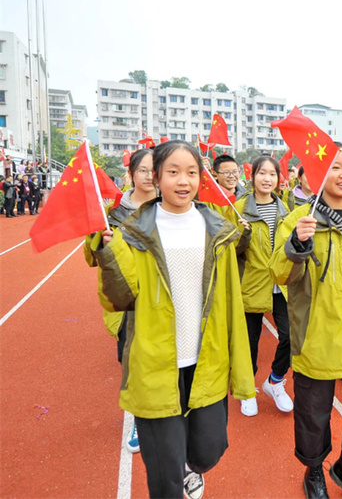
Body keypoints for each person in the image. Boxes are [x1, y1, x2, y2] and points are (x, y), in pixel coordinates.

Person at [91, 140, 255, 499]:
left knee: (210, 448)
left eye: (192, 172)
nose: (184, 181)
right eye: (174, 172)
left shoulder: (217, 229)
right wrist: (107, 254)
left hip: (205, 358)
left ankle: (188, 467)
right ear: (156, 177)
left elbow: (229, 300)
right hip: (156, 361)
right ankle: (172, 472)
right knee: (164, 476)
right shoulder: (133, 232)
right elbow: (118, 298)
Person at [270, 143, 342, 499]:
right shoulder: (301, 219)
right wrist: (296, 245)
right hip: (317, 334)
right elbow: (279, 273)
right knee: (314, 415)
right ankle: (314, 471)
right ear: (319, 173)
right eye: (336, 167)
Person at [84, 148, 157, 454]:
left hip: (161, 298)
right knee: (131, 359)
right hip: (128, 302)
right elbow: (91, 258)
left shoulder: (170, 207)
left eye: (157, 170)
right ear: (131, 174)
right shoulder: (113, 213)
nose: (150, 176)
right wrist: (99, 239)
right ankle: (140, 419)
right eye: (144, 170)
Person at [234, 155, 293, 417]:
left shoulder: (286, 211)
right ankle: (247, 390)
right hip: (252, 284)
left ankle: (275, 381)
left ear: (278, 179)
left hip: (281, 284)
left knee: (291, 336)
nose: (267, 179)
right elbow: (230, 251)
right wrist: (241, 235)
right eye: (262, 173)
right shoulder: (238, 208)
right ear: (252, 176)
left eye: (272, 174)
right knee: (250, 342)